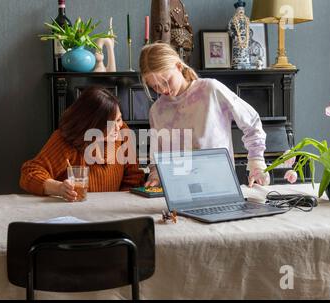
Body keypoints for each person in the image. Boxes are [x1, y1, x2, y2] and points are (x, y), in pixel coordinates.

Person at [139, 42, 270, 187]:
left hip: (219, 186)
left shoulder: (210, 89)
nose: (164, 90)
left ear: (178, 66)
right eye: (155, 86)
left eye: (167, 81)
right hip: (179, 190)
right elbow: (157, 157)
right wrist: (155, 176)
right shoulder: (157, 111)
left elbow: (251, 122)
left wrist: (256, 161)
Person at [20, 87, 144, 201]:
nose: (118, 127)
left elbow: (134, 178)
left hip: (111, 212)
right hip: (73, 210)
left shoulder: (123, 133)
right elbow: (29, 173)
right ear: (92, 123)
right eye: (110, 123)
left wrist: (116, 203)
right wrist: (59, 188)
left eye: (119, 119)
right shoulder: (65, 139)